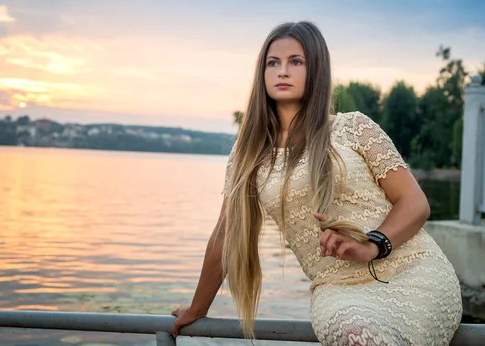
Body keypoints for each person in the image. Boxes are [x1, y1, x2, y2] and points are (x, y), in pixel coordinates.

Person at [171, 21, 462, 345]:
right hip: (337, 290)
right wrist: (197, 308)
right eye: (273, 63)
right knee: (354, 333)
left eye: (296, 61)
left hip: (414, 272)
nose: (283, 71)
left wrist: (371, 244)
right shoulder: (248, 156)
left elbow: (415, 204)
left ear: (317, 71)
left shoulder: (355, 128)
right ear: (262, 74)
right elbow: (226, 234)